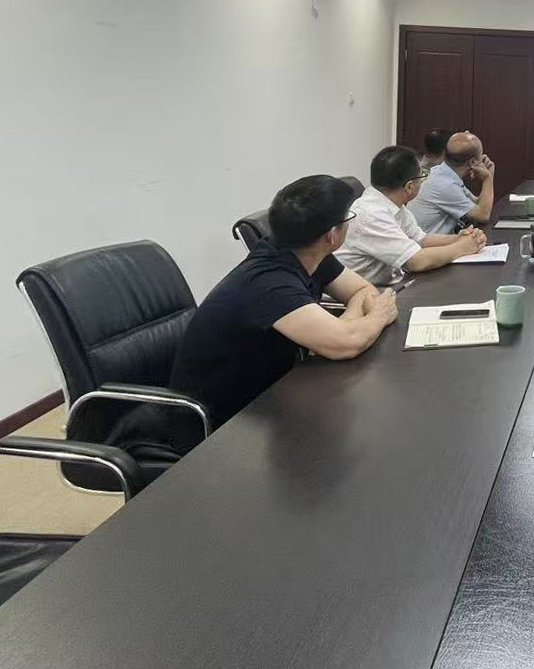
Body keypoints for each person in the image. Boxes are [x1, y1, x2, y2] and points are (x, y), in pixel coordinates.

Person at [168, 175, 398, 444]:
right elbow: (347, 344)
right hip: (217, 427)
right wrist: (377, 316)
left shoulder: (307, 252)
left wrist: (346, 325)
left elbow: (361, 292)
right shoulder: (270, 282)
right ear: (332, 234)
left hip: (269, 397)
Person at [335, 145, 489, 286]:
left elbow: (420, 239)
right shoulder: (371, 214)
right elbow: (416, 261)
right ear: (409, 186)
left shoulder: (392, 203)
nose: (423, 181)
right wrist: (463, 247)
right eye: (422, 177)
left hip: (392, 284)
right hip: (366, 294)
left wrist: (459, 238)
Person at [411, 130, 495, 233]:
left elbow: (477, 205)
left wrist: (489, 177)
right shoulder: (444, 184)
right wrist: (487, 179)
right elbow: (483, 215)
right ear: (473, 162)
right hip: (424, 242)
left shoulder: (444, 173)